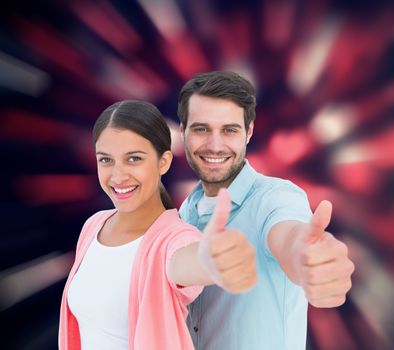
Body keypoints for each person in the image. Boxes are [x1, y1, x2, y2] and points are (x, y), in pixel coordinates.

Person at [58, 100, 257, 350]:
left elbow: (187, 261)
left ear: (163, 162)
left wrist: (212, 260)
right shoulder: (94, 225)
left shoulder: (173, 239)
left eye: (133, 159)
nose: (118, 176)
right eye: (106, 160)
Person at [177, 71, 355, 350]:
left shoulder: (276, 198)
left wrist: (306, 259)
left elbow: (289, 236)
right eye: (201, 129)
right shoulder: (184, 213)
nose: (214, 145)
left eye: (229, 130)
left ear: (248, 132)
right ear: (183, 130)